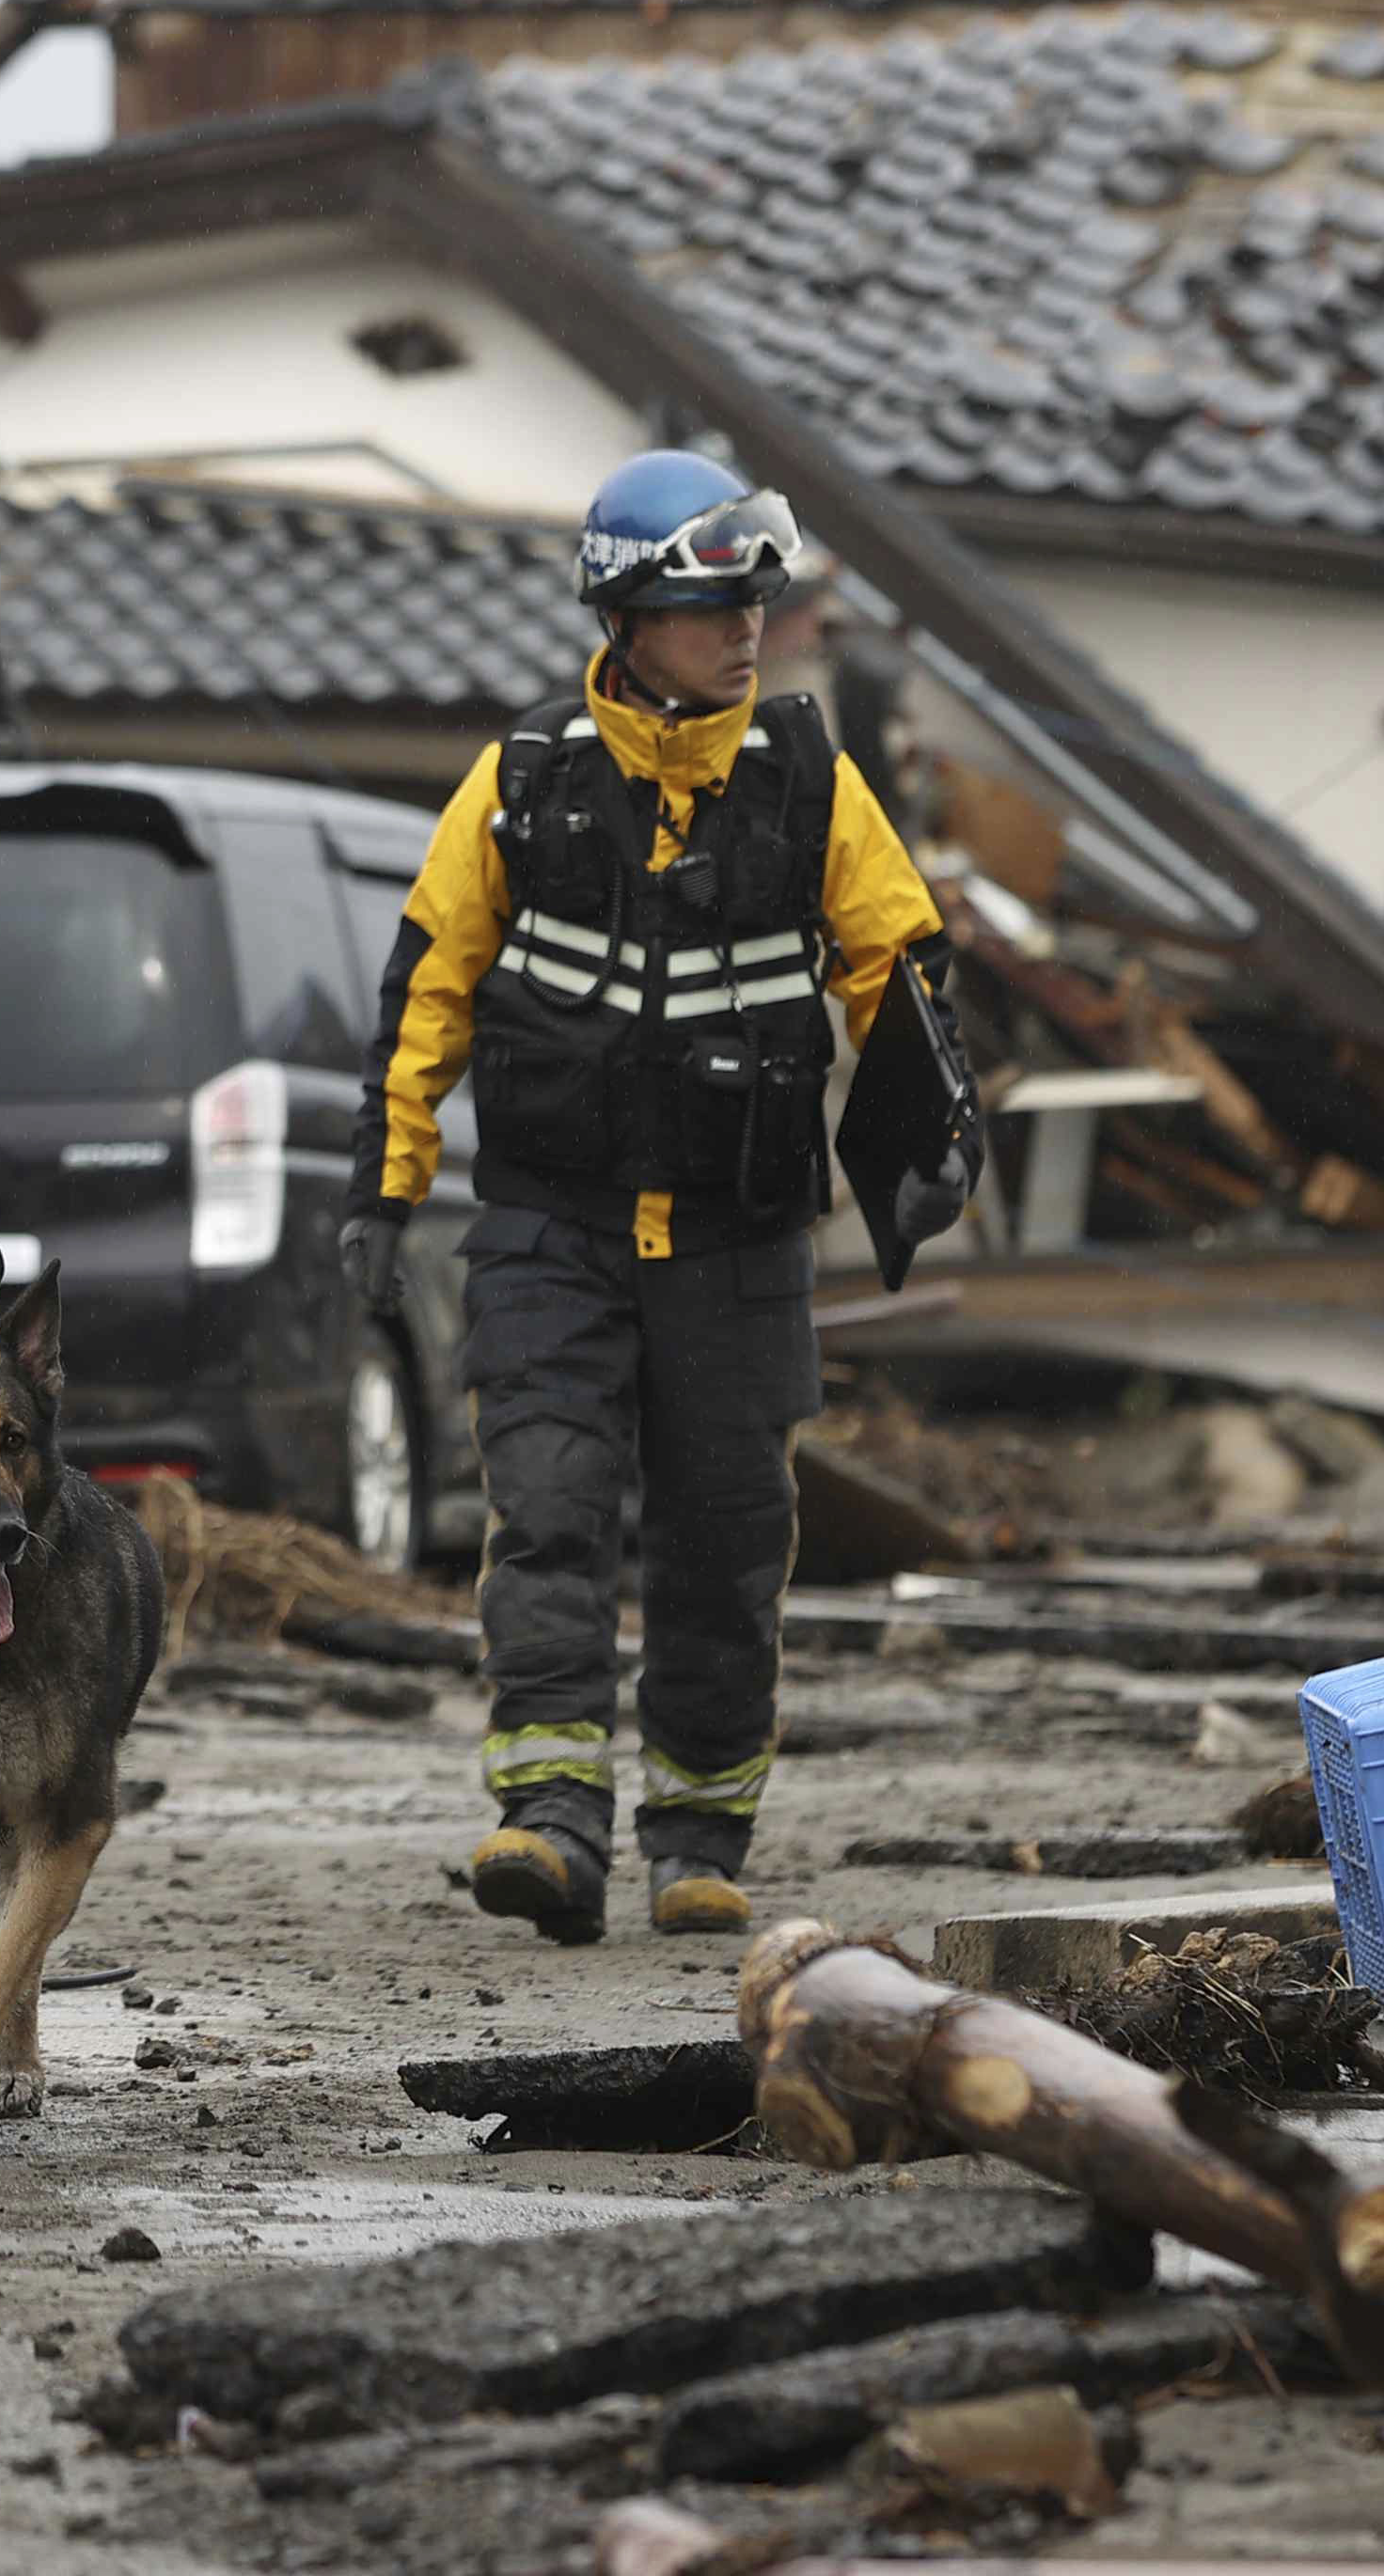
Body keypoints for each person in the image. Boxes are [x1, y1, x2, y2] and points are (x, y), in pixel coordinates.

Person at [335, 449, 954, 1946]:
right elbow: (432, 982)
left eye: (755, 597)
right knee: (546, 1507)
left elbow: (900, 967)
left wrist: (930, 1135)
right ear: (623, 612)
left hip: (740, 1242)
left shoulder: (813, 779)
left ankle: (697, 1832)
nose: (745, 625)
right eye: (705, 602)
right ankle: (551, 1820)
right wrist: (387, 1181)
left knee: (726, 1537)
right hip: (552, 1227)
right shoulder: (523, 780)